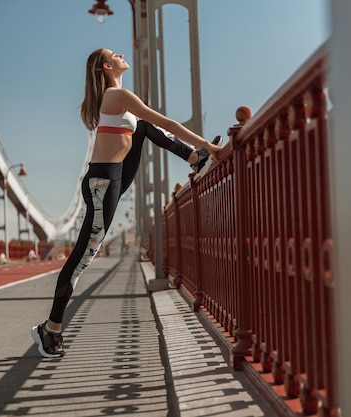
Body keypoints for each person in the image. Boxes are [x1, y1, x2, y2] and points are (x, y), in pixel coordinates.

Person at [31, 48, 223, 358]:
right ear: (107, 67)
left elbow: (151, 127)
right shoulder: (117, 97)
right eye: (114, 54)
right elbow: (168, 122)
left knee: (144, 127)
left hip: (113, 180)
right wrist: (208, 145)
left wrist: (198, 151)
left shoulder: (119, 104)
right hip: (101, 185)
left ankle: (194, 159)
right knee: (81, 260)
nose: (121, 54)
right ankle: (49, 330)